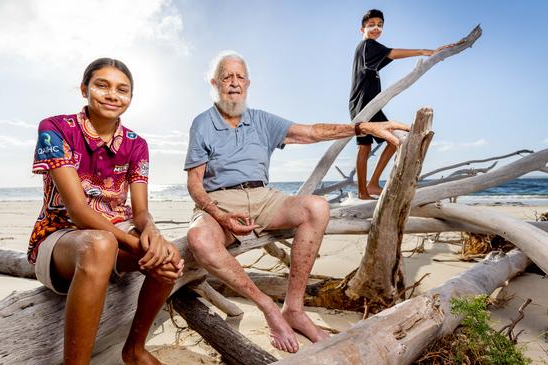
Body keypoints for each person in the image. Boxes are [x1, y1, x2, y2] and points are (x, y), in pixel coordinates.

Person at [184, 51, 409, 353]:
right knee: (198, 237)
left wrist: (364, 127)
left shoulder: (261, 120)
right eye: (227, 77)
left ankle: (294, 308)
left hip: (264, 197)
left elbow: (312, 133)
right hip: (220, 200)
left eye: (240, 77)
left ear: (248, 84)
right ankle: (267, 307)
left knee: (316, 207)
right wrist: (218, 215)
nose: (234, 83)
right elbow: (194, 183)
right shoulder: (202, 123)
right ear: (215, 83)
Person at [28, 58, 184, 365]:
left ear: (130, 98)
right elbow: (77, 209)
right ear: (84, 88)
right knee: (100, 244)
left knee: (170, 258)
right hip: (61, 237)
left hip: (115, 233)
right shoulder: (54, 128)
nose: (112, 95)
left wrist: (151, 230)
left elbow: (140, 211)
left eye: (122, 90)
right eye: (102, 85)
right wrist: (135, 244)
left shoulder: (137, 144)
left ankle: (135, 350)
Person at [350, 9, 452, 199]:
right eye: (371, 24)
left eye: (380, 25)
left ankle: (368, 189)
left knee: (368, 146)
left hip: (364, 104)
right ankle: (368, 187)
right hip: (365, 106)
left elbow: (387, 56)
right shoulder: (368, 45)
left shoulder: (368, 51)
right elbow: (392, 53)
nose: (376, 28)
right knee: (391, 141)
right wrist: (423, 51)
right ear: (361, 29)